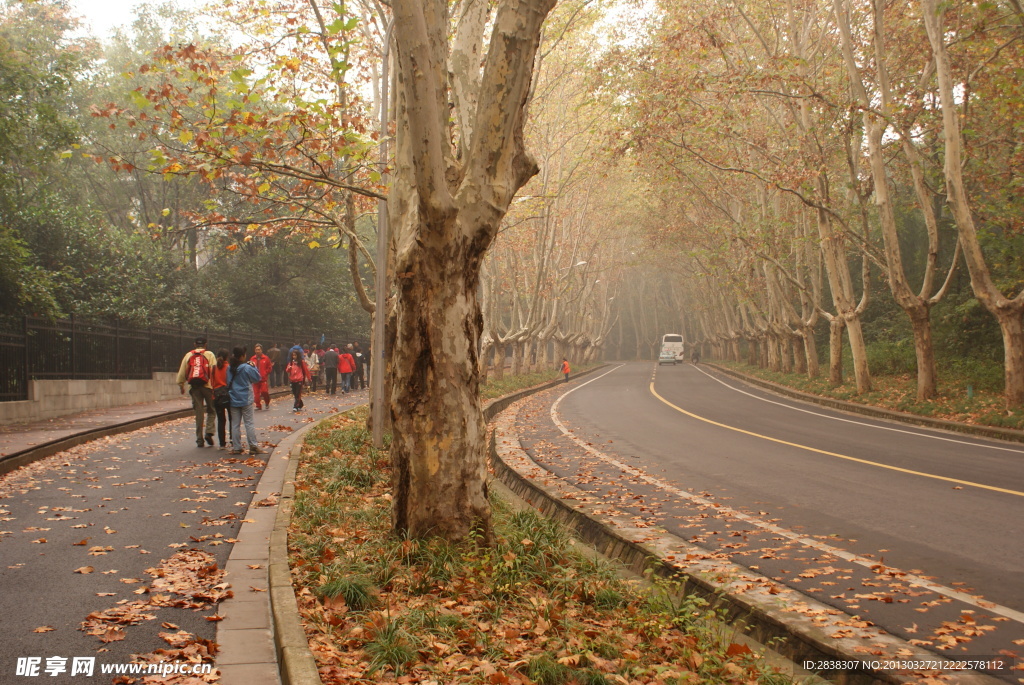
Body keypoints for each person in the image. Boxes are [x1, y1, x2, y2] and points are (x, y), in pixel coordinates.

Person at [176, 337, 218, 448]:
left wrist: (181, 385)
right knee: (212, 410)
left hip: (194, 387)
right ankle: (209, 431)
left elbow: (182, 372)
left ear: (194, 344)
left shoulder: (188, 355)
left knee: (199, 414)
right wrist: (215, 386)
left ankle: (199, 439)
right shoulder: (210, 354)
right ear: (206, 344)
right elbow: (214, 371)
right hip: (208, 386)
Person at [226, 346, 265, 456]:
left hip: (233, 398)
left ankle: (237, 447)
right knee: (249, 423)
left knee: (235, 424)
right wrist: (254, 367)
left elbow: (228, 382)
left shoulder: (229, 368)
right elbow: (257, 378)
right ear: (242, 356)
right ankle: (253, 446)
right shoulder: (247, 367)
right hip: (246, 399)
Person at [211, 349, 232, 449]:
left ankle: (222, 443)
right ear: (227, 357)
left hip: (217, 395)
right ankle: (233, 439)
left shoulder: (214, 368)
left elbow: (212, 382)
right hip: (227, 395)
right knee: (232, 418)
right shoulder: (228, 367)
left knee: (221, 420)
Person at [250, 344, 273, 410]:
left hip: (263, 379)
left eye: (259, 349)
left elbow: (269, 367)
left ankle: (267, 402)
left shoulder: (266, 358)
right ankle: (258, 405)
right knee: (256, 394)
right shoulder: (252, 359)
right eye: (256, 350)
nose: (257, 351)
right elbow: (250, 368)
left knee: (264, 391)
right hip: (255, 380)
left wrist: (265, 373)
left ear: (261, 350)